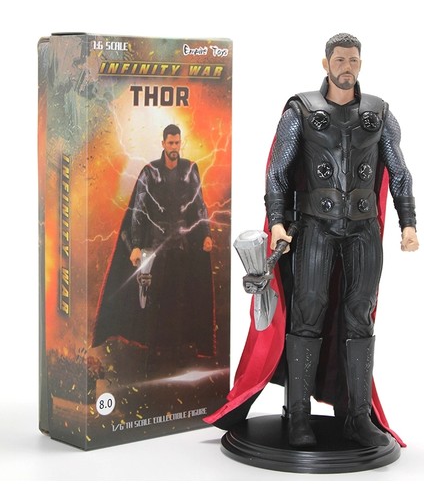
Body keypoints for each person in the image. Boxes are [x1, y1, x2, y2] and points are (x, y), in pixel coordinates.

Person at [205, 33, 418, 448]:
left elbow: (399, 171)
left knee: (360, 315)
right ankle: (298, 417)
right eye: (339, 60)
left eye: (353, 60)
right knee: (307, 312)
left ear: (360, 63)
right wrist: (277, 222)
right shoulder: (300, 110)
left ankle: (357, 417)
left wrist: (407, 223)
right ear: (326, 64)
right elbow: (278, 172)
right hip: (315, 228)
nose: (346, 67)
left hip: (363, 229)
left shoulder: (380, 113)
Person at [92, 124, 215, 373]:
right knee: (153, 302)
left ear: (180, 143)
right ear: (163, 144)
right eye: (170, 143)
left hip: (181, 247)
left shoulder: (190, 169)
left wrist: (205, 234)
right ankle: (153, 354)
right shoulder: (149, 172)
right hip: (155, 248)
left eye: (177, 143)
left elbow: (200, 205)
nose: (174, 147)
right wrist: (136, 245)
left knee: (180, 301)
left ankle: (178, 352)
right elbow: (138, 210)